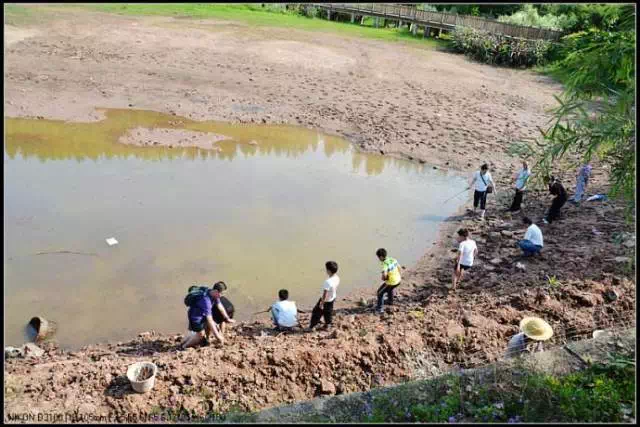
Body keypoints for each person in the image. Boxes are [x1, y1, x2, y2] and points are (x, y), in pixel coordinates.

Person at [180, 285, 228, 349]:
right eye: (222, 293)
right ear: (216, 291)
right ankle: (184, 346)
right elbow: (210, 320)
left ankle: (206, 340)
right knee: (200, 335)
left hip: (203, 316)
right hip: (196, 318)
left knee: (211, 325)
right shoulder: (206, 301)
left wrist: (227, 318)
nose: (223, 295)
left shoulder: (212, 293)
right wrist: (218, 337)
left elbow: (220, 306)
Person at [309, 261, 340, 330]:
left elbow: (325, 294)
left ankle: (312, 327)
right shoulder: (337, 278)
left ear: (328, 270)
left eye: (326, 269)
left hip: (325, 300)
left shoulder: (328, 282)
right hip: (332, 298)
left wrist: (321, 303)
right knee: (328, 312)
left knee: (316, 312)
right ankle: (328, 324)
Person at [375, 248, 402, 314]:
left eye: (378, 257)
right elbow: (399, 268)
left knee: (379, 292)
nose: (379, 259)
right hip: (398, 280)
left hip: (391, 282)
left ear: (381, 257)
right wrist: (398, 276)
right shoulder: (392, 259)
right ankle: (390, 301)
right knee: (389, 289)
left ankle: (380, 309)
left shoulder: (385, 264)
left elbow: (384, 274)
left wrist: (383, 278)